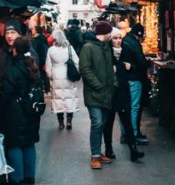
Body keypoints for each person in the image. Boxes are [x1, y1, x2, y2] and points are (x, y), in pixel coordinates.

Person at [0, 35, 42, 185]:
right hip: (31, 109)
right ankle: (30, 176)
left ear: (15, 50)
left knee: (14, 143)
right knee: (28, 142)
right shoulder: (33, 66)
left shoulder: (13, 69)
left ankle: (17, 177)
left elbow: (6, 93)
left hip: (15, 110)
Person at [78, 20, 115, 170]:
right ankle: (94, 155)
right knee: (97, 122)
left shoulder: (106, 47)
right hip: (94, 93)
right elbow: (85, 69)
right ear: (105, 33)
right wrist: (98, 85)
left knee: (102, 123)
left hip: (106, 92)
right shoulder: (88, 48)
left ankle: (98, 154)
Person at [104, 28, 144, 163]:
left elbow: (134, 66)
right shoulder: (106, 52)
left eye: (119, 38)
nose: (118, 41)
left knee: (126, 121)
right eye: (115, 38)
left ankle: (133, 150)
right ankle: (108, 149)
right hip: (110, 92)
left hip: (123, 90)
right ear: (110, 40)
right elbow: (108, 69)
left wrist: (129, 67)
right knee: (108, 121)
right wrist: (123, 66)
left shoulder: (126, 50)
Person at [120, 22, 149, 145]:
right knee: (134, 107)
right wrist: (147, 63)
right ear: (139, 35)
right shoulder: (134, 43)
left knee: (126, 107)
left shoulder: (125, 40)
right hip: (134, 77)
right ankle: (133, 135)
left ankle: (125, 134)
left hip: (125, 78)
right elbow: (141, 62)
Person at [46, 27, 80, 130]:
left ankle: (61, 123)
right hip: (68, 75)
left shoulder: (51, 50)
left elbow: (48, 66)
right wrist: (76, 73)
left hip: (56, 75)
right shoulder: (69, 48)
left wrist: (50, 75)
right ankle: (69, 121)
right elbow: (77, 62)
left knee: (58, 100)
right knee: (70, 98)